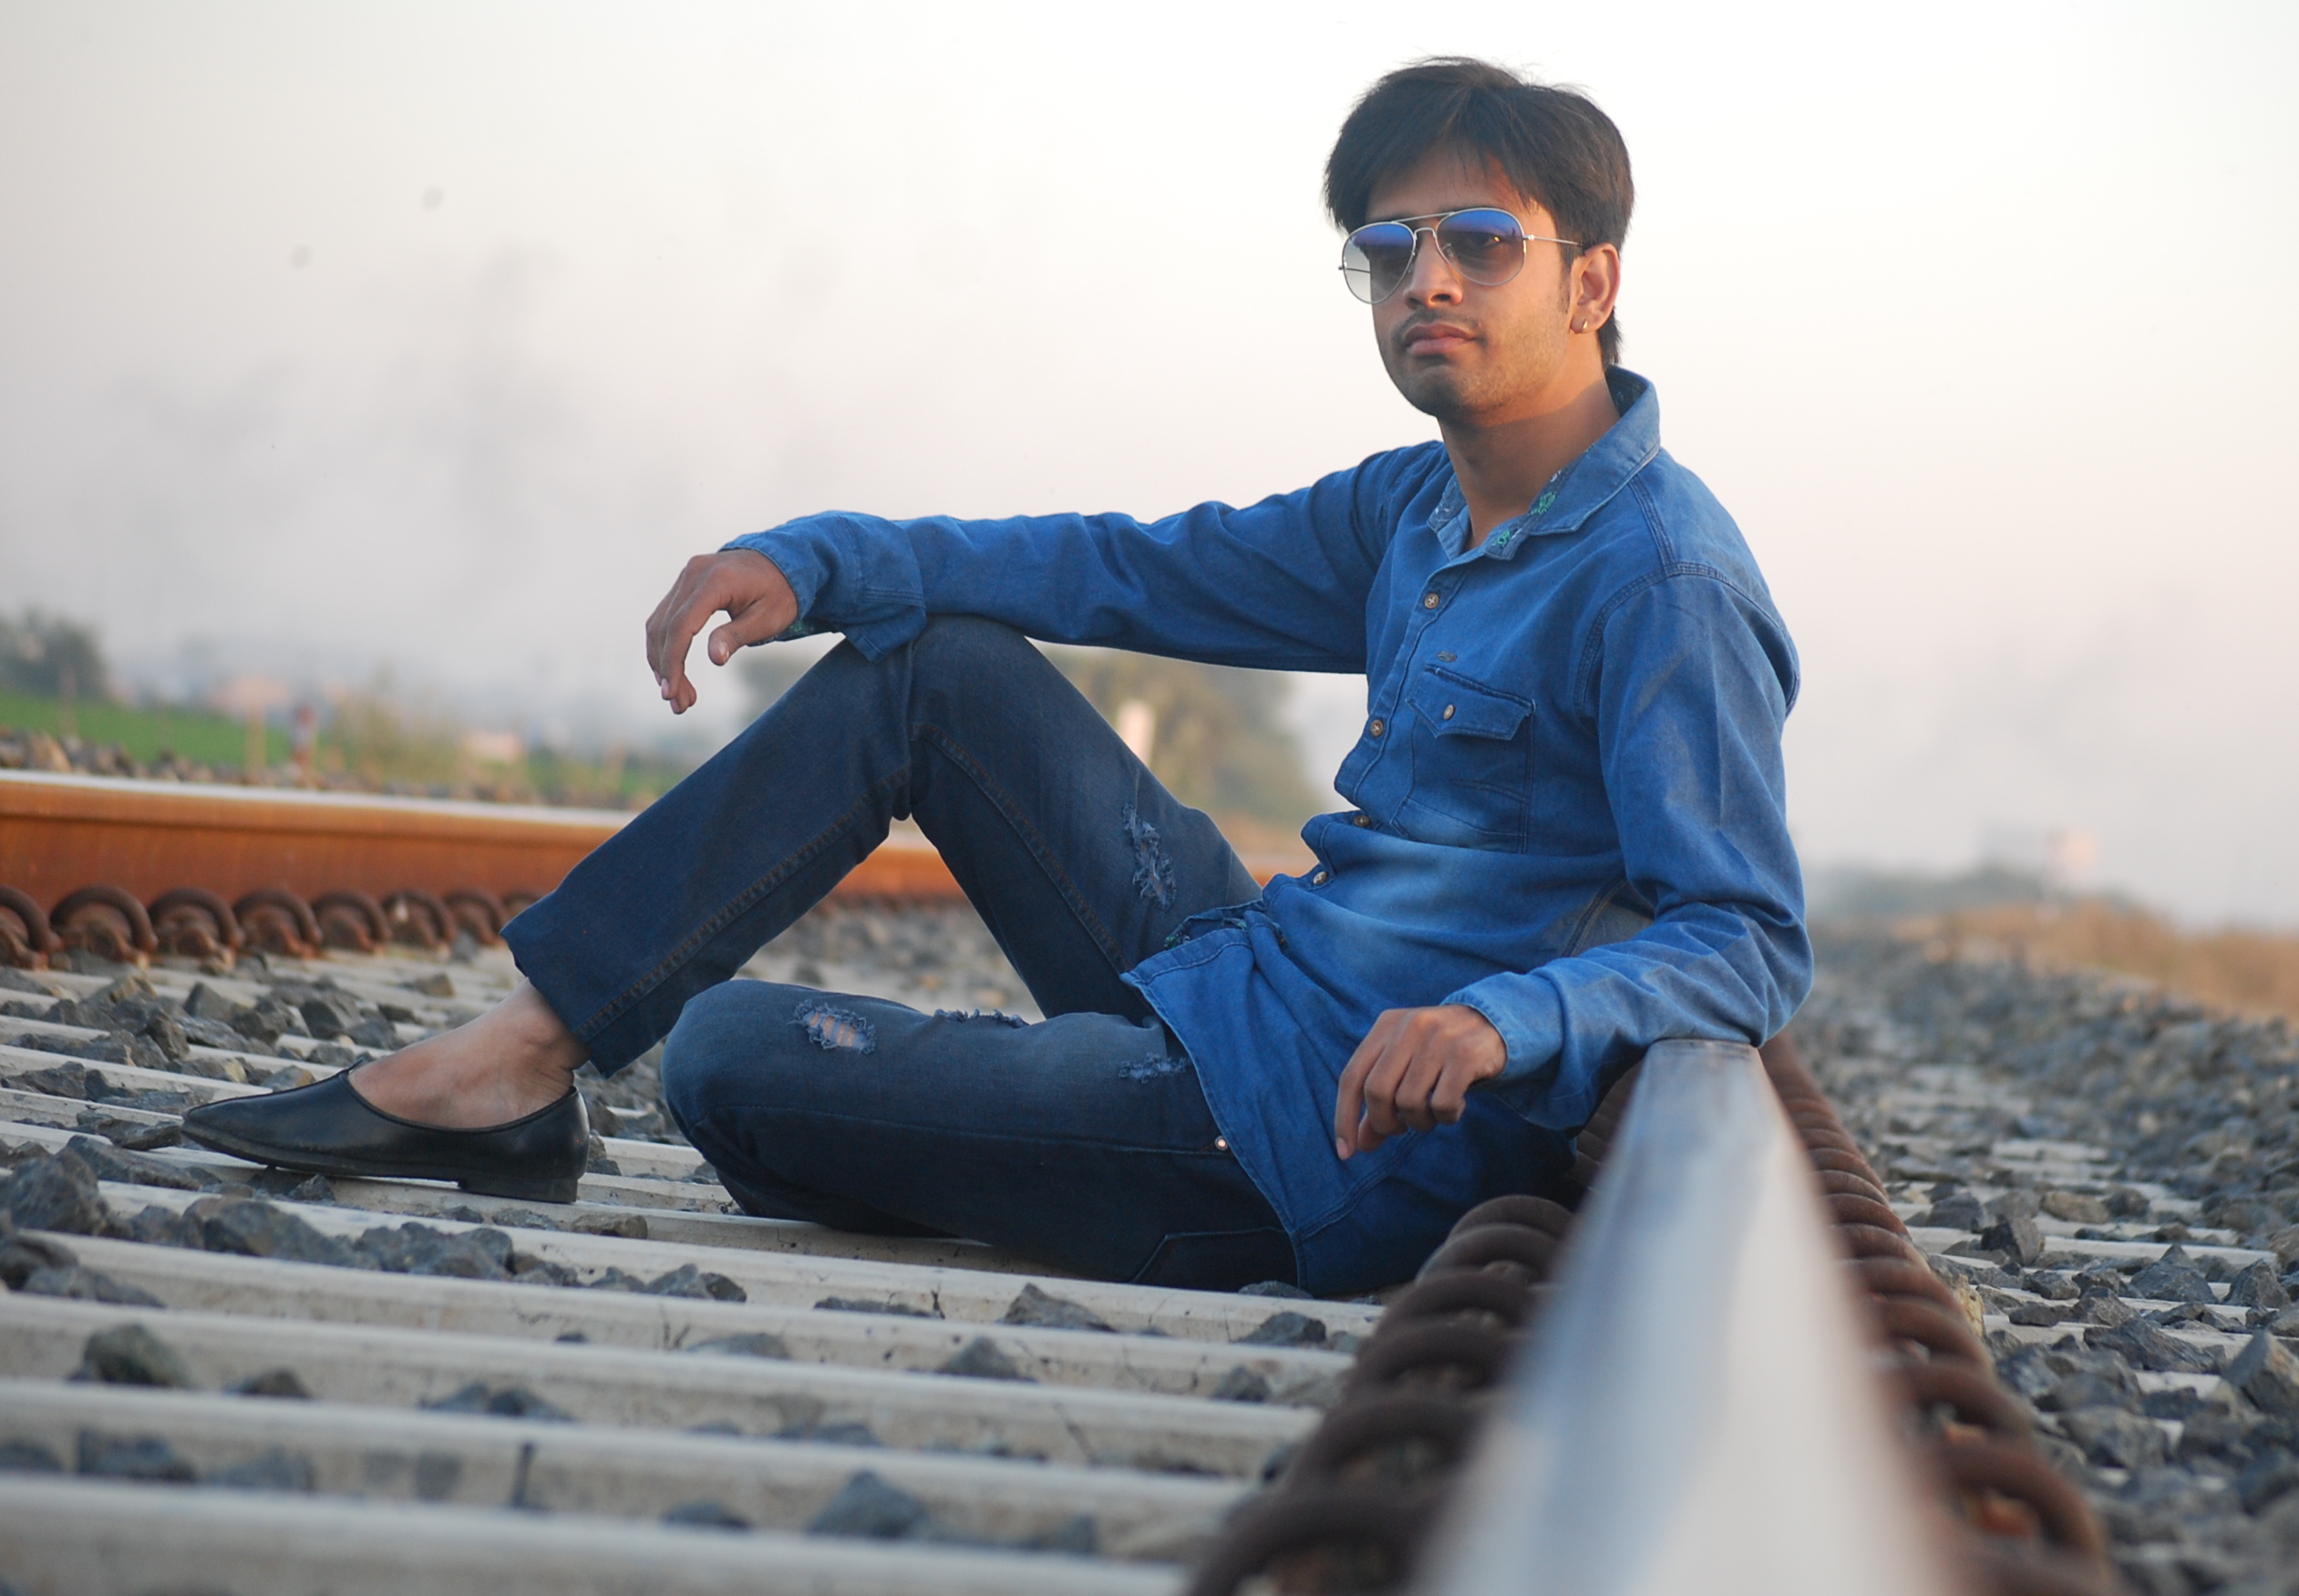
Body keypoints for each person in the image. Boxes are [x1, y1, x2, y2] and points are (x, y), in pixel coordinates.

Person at [182, 57, 1810, 1298]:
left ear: (1591, 283)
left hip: (1314, 1141)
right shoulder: (1415, 508)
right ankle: (519, 1058)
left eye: (1479, 244)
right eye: (1389, 250)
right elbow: (1117, 565)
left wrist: (1505, 1020)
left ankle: (1046, 1124)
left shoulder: (1662, 582)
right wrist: (820, 561)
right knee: (939, 667)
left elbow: (1743, 938)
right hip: (1249, 976)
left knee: (726, 1058)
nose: (1425, 281)